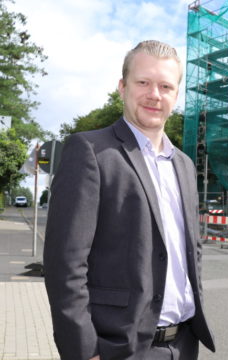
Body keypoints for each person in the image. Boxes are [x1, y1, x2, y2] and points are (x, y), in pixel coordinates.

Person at [44, 40, 215, 360]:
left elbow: (192, 250)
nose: (155, 94)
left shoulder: (185, 166)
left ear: (176, 96)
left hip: (184, 343)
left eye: (166, 86)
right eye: (143, 82)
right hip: (119, 348)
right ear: (123, 87)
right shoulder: (91, 152)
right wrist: (83, 351)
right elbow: (64, 264)